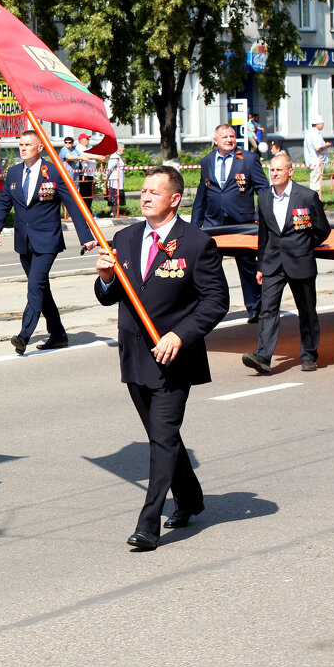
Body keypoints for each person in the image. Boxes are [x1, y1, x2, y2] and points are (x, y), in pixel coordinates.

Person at [95, 166, 229, 550]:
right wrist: (105, 277)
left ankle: (148, 523)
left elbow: (216, 300)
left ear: (175, 199)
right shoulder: (126, 236)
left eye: (156, 191)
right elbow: (110, 294)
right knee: (161, 437)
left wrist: (180, 335)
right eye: (144, 190)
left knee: (163, 437)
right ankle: (190, 498)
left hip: (173, 357)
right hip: (135, 354)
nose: (146, 196)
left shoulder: (196, 243)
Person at [0, 130, 96, 354]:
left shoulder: (55, 172)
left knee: (35, 284)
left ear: (40, 148)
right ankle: (58, 334)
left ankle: (23, 335)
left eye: (28, 144)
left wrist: (86, 237)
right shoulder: (14, 173)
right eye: (20, 144)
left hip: (47, 240)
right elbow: (4, 202)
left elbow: (74, 205)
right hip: (24, 240)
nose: (23, 148)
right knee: (42, 288)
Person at [242, 154, 331, 374]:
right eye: (272, 170)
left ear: (290, 171)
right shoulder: (264, 198)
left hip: (300, 262)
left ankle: (309, 354)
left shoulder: (307, 197)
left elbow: (323, 229)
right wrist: (261, 265)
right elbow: (263, 236)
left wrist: (305, 246)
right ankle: (263, 355)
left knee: (307, 310)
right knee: (267, 310)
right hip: (273, 263)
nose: (274, 174)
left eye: (279, 170)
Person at [190, 123, 270, 321]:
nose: (229, 140)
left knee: (247, 266)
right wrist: (194, 226)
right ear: (215, 140)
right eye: (224, 137)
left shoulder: (249, 159)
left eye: (232, 136)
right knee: (208, 266)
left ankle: (255, 308)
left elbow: (263, 190)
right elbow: (202, 194)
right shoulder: (206, 161)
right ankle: (210, 308)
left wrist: (261, 216)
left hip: (242, 222)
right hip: (214, 222)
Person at [303, 115, 331, 197]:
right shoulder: (315, 134)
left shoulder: (309, 132)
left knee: (314, 181)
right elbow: (318, 148)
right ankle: (315, 201)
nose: (323, 125)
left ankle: (313, 201)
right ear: (317, 124)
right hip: (316, 160)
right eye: (322, 123)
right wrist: (326, 145)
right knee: (316, 183)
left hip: (311, 160)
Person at [106, 142, 126, 217]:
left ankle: (116, 212)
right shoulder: (114, 156)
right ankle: (113, 212)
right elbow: (110, 167)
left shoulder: (119, 156)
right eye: (121, 147)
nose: (123, 149)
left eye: (123, 147)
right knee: (114, 195)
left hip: (119, 179)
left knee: (118, 195)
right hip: (114, 179)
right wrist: (107, 176)